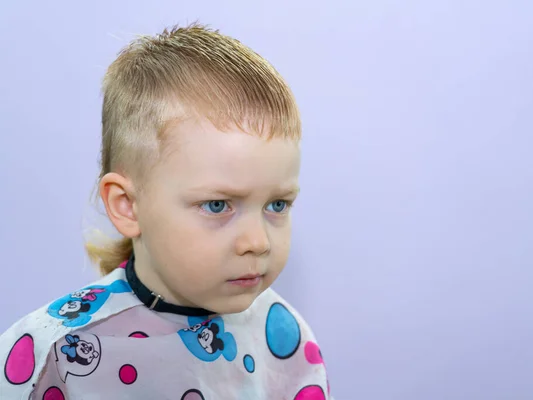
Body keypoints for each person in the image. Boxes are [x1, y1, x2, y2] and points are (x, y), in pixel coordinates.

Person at [0, 23, 331, 399]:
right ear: (127, 206)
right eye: (217, 205)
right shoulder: (53, 357)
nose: (257, 242)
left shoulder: (282, 337)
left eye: (277, 204)